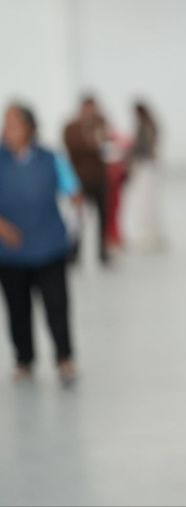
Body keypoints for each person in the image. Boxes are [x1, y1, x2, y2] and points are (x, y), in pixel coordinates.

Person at [0, 104, 80, 384]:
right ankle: (24, 359)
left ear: (30, 128)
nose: (7, 130)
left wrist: (75, 205)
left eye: (14, 124)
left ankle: (64, 358)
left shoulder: (50, 158)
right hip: (11, 253)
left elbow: (72, 189)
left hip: (49, 248)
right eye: (5, 124)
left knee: (57, 307)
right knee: (17, 310)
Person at [63, 96, 110, 265]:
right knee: (77, 219)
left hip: (99, 179)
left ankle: (103, 252)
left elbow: (107, 143)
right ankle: (74, 253)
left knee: (103, 216)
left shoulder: (101, 124)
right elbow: (73, 147)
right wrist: (92, 143)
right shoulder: (71, 127)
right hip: (80, 180)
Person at [126, 101, 164, 251]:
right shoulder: (149, 125)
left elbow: (144, 147)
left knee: (145, 200)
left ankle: (148, 233)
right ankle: (148, 232)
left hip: (145, 165)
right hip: (146, 164)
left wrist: (133, 157)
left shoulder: (145, 126)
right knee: (145, 200)